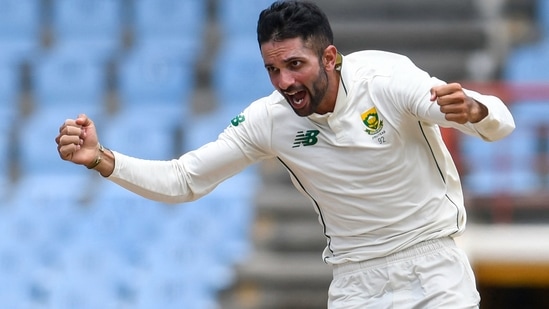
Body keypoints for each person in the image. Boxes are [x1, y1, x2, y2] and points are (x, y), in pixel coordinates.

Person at [56, 1, 515, 308]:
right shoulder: (269, 119)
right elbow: (184, 180)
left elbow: (498, 121)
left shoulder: (385, 78)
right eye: (272, 69)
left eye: (295, 65)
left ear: (331, 57)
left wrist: (475, 109)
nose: (283, 83)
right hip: (355, 282)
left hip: (433, 267)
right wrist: (101, 158)